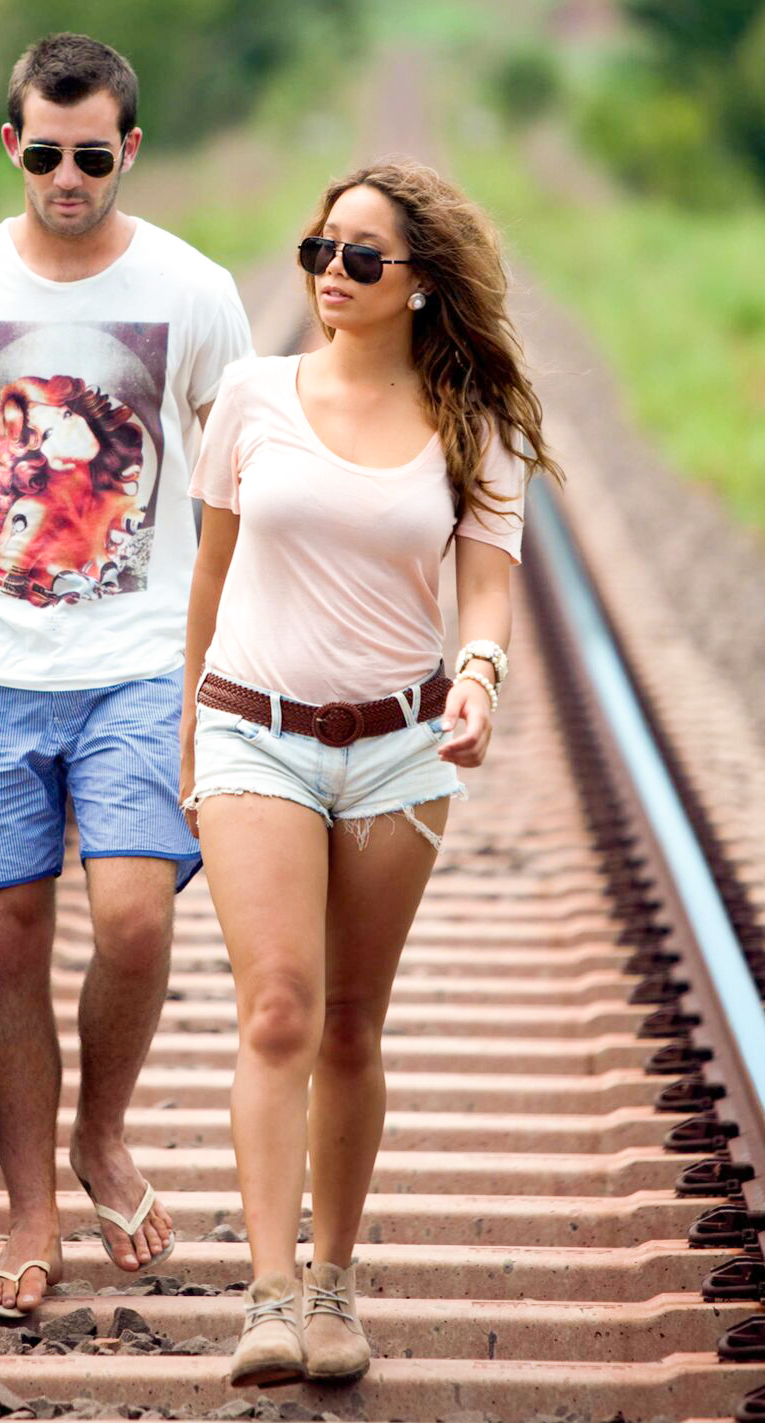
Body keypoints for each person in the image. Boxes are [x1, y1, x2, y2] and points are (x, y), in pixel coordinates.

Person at [0, 32, 251, 1319]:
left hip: (135, 663)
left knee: (134, 916)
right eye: (46, 153)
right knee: (5, 943)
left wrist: (242, 643)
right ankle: (29, 1217)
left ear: (130, 148)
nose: (68, 177)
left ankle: (101, 1138)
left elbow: (239, 481)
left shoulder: (194, 292)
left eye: (93, 155)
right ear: (13, 146)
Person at [180, 158, 559, 1387]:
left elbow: (487, 585)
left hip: (399, 750)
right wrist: (190, 732)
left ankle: (334, 1281)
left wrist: (480, 675)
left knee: (351, 1023)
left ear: (419, 284)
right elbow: (209, 575)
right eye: (317, 249)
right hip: (254, 730)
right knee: (279, 1006)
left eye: (358, 258)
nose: (328, 275)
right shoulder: (252, 394)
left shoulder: (473, 422)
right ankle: (268, 1297)